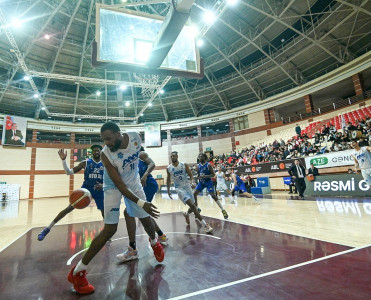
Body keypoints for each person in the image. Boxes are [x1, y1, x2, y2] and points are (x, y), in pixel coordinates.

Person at [67, 122, 163, 295]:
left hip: (133, 183)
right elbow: (119, 184)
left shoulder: (135, 137)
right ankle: (78, 272)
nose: (107, 143)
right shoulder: (105, 154)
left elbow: (140, 160)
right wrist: (141, 202)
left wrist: (141, 202)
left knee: (145, 217)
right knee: (110, 229)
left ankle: (155, 242)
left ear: (119, 134)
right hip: (112, 186)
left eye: (109, 139)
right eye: (104, 140)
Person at [37, 145, 104, 241]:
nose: (96, 152)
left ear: (101, 152)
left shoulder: (106, 164)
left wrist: (103, 185)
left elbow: (111, 179)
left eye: (98, 151)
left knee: (104, 212)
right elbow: (68, 172)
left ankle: (107, 233)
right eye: (94, 151)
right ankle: (47, 229)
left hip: (99, 189)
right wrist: (63, 160)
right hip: (86, 190)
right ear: (92, 152)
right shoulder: (85, 163)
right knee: (68, 208)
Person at [117, 147, 168, 263]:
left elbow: (152, 164)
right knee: (140, 213)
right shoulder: (125, 159)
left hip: (147, 184)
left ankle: (136, 247)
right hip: (135, 188)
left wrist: (144, 175)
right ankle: (159, 235)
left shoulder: (141, 153)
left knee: (138, 212)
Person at [166, 151, 213, 233]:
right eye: (171, 156)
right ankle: (206, 225)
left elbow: (191, 175)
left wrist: (192, 182)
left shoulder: (184, 164)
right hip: (179, 189)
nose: (172, 158)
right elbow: (168, 179)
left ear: (177, 156)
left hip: (187, 187)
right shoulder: (169, 168)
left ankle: (187, 214)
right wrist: (168, 190)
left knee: (193, 206)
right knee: (193, 206)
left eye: (174, 156)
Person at [194, 153, 229, 219]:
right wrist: (197, 177)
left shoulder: (208, 165)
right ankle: (197, 209)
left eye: (201, 157)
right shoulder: (198, 166)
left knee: (213, 195)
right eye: (199, 157)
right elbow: (198, 175)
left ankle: (223, 210)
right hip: (201, 182)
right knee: (194, 194)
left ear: (204, 157)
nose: (200, 158)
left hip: (208, 182)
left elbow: (213, 175)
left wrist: (204, 176)